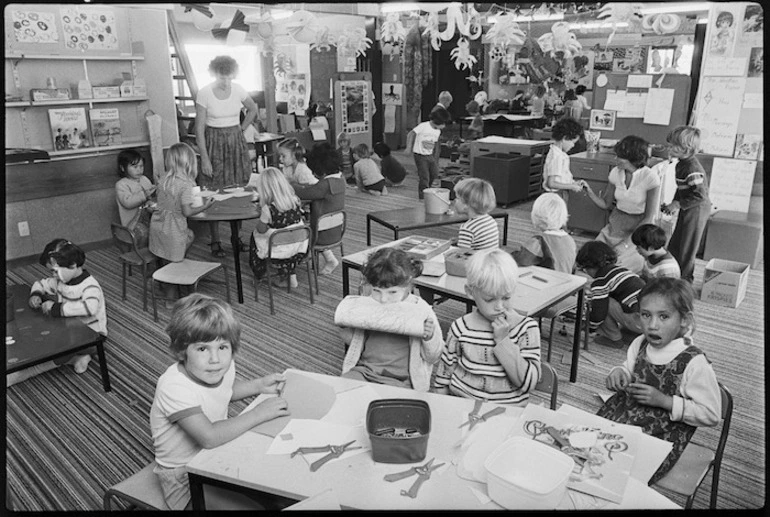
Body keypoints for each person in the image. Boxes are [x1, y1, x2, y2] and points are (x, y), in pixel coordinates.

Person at [150, 293, 289, 510]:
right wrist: (258, 413)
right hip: (183, 477)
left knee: (279, 491)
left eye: (223, 347)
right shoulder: (173, 386)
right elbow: (209, 436)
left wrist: (258, 385)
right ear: (181, 351)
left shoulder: (219, 366)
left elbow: (225, 391)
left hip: (215, 457)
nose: (215, 359)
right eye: (202, 348)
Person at [597, 278, 721, 484]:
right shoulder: (640, 342)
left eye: (664, 316)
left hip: (660, 436)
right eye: (646, 315)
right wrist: (619, 372)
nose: (652, 325)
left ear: (684, 319)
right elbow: (629, 368)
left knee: (618, 472)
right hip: (624, 415)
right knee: (587, 447)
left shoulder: (694, 362)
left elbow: (711, 414)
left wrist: (665, 401)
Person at [433, 249, 541, 405]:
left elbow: (528, 384)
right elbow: (444, 374)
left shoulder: (526, 329)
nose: (499, 307)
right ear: (470, 292)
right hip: (463, 408)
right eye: (489, 299)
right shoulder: (461, 327)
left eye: (506, 297)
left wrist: (504, 343)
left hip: (507, 414)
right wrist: (441, 407)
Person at [338, 248, 444, 391]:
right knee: (342, 391)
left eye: (392, 292)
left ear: (408, 284)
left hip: (401, 379)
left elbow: (433, 357)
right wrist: (345, 325)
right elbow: (355, 342)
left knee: (389, 407)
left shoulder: (421, 310)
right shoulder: (369, 303)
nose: (383, 299)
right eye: (376, 291)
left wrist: (429, 337)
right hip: (365, 371)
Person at [10, 240, 106, 386]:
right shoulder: (61, 281)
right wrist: (36, 294)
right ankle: (78, 358)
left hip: (92, 335)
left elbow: (89, 308)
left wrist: (57, 308)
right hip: (70, 328)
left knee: (54, 345)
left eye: (55, 271)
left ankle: (30, 371)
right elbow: (41, 284)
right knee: (41, 331)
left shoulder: (90, 286)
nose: (53, 275)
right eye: (51, 272)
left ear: (73, 265)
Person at [195, 55, 259, 258]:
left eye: (229, 78)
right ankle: (215, 240)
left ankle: (235, 237)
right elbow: (198, 129)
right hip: (213, 142)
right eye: (222, 78)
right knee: (213, 190)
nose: (226, 82)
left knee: (236, 187)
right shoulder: (204, 93)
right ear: (215, 74)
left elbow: (253, 108)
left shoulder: (238, 89)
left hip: (234, 141)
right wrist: (204, 158)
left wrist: (241, 129)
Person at [149, 143, 215, 302]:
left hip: (159, 224)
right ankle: (171, 299)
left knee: (181, 245)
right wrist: (205, 206)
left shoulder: (164, 178)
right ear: (189, 162)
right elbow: (187, 212)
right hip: (174, 228)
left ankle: (168, 280)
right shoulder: (185, 184)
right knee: (174, 263)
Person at [584, 135, 661, 273]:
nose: (616, 159)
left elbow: (648, 217)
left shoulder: (650, 177)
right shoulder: (615, 172)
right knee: (590, 257)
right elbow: (606, 205)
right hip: (616, 223)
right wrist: (589, 191)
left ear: (633, 158)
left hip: (639, 229)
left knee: (616, 265)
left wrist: (627, 244)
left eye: (620, 157)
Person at [661, 126, 710, 284]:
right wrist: (674, 203)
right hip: (688, 206)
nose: (669, 148)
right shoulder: (680, 164)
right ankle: (674, 274)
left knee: (687, 248)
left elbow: (700, 196)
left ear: (686, 148)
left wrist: (677, 205)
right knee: (676, 243)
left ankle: (685, 281)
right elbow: (682, 188)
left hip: (697, 209)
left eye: (673, 146)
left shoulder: (691, 168)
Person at [576, 241, 646, 349]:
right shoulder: (621, 270)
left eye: (585, 270)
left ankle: (613, 338)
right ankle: (632, 332)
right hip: (650, 318)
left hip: (640, 321)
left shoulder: (601, 280)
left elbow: (599, 313)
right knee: (610, 299)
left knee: (601, 303)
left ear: (589, 266)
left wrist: (589, 328)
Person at [248, 167, 307, 289]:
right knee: (285, 233)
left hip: (277, 252)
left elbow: (261, 230)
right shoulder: (295, 201)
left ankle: (258, 274)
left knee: (254, 236)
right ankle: (290, 274)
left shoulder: (268, 209)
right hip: (298, 249)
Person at [294, 142, 346, 276]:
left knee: (295, 228)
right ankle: (328, 258)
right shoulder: (340, 179)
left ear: (321, 170)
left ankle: (295, 260)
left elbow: (304, 193)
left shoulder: (325, 185)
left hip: (320, 234)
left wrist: (289, 185)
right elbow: (315, 190)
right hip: (335, 230)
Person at [512, 192, 576, 273]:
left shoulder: (539, 241)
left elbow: (521, 262)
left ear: (536, 216)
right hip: (567, 282)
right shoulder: (570, 240)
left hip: (547, 282)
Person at [406, 107, 451, 199]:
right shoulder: (424, 126)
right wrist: (409, 147)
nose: (444, 126)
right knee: (424, 176)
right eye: (443, 124)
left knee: (434, 173)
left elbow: (434, 144)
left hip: (429, 155)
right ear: (438, 121)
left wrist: (435, 158)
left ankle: (428, 190)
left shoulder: (437, 131)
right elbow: (411, 134)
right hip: (420, 155)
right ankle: (423, 196)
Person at [115, 150, 156, 249]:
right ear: (123, 168)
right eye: (135, 167)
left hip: (150, 218)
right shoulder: (121, 185)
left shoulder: (144, 179)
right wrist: (144, 195)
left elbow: (150, 198)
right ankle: (142, 255)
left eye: (141, 166)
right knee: (143, 233)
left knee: (163, 228)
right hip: (133, 223)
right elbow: (127, 203)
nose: (139, 170)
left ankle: (159, 254)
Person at [542, 117, 586, 202]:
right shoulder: (556, 156)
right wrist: (571, 186)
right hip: (555, 195)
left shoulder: (560, 154)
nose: (573, 146)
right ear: (565, 138)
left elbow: (562, 177)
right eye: (572, 142)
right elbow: (551, 183)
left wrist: (573, 183)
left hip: (560, 193)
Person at [453, 178, 499, 250]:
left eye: (457, 198)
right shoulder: (490, 220)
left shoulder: (467, 228)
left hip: (476, 260)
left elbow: (461, 256)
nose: (454, 200)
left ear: (466, 205)